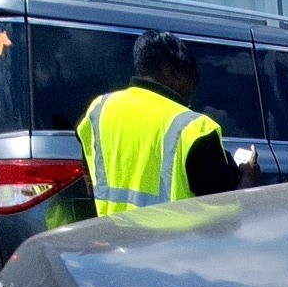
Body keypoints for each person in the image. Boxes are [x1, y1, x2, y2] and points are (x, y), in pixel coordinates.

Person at [76, 30, 259, 216]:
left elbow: (92, 187)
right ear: (174, 71)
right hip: (178, 235)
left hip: (118, 232)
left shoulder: (99, 109)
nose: (195, 87)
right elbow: (224, 215)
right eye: (194, 76)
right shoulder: (196, 129)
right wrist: (248, 177)